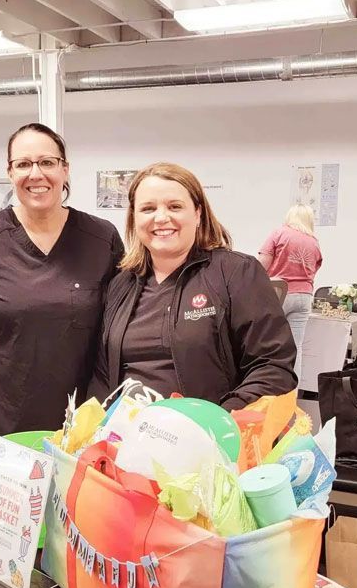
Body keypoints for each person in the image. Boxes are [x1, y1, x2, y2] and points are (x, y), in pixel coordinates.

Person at [0, 122, 124, 435]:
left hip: (81, 421)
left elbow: (120, 328)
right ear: (10, 173)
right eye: (23, 164)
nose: (36, 174)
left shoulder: (101, 237)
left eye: (47, 162)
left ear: (65, 170)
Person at [89, 163, 296, 409]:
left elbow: (273, 366)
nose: (161, 217)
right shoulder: (121, 285)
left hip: (211, 438)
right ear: (134, 218)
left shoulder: (236, 272)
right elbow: (103, 376)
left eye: (175, 206)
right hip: (130, 439)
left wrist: (218, 422)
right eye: (148, 208)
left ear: (198, 213)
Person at [257, 204, 322, 381]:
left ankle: (270, 389)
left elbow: (261, 265)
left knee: (268, 345)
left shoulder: (279, 233)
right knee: (296, 347)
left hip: (280, 292)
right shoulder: (313, 241)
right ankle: (293, 394)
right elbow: (313, 271)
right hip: (305, 296)